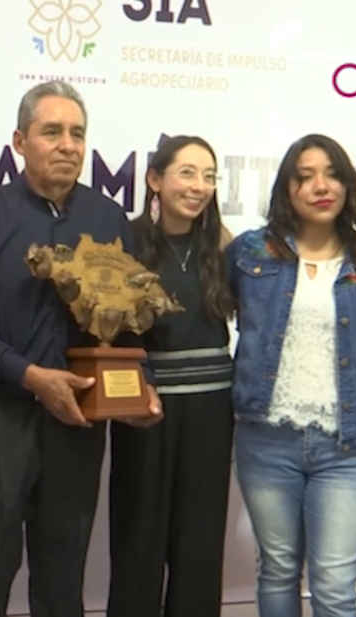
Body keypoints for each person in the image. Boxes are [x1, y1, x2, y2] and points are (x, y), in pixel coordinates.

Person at [0, 80, 161, 617]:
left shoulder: (109, 222)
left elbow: (126, 321)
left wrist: (134, 391)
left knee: (64, 577)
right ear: (19, 141)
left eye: (77, 134)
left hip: (79, 419)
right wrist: (30, 376)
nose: (68, 145)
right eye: (52, 132)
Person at [225, 134, 356, 617]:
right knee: (279, 569)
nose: (319, 186)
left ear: (349, 185)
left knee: (334, 586)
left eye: (330, 174)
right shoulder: (251, 253)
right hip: (266, 441)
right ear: (287, 190)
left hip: (349, 448)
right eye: (304, 177)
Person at [108, 135, 234, 617]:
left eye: (209, 175)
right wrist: (136, 388)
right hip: (146, 410)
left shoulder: (224, 247)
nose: (199, 186)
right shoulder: (125, 244)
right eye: (187, 173)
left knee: (200, 545)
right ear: (155, 180)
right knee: (138, 541)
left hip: (212, 412)